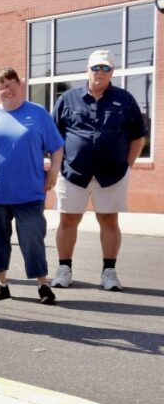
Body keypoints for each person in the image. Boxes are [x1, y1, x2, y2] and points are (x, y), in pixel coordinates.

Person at [50, 49, 147, 291]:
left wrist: (127, 166)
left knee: (109, 220)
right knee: (68, 219)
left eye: (105, 68)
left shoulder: (125, 100)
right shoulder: (68, 98)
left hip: (112, 175)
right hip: (72, 173)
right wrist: (55, 166)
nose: (99, 72)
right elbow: (53, 136)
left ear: (112, 72)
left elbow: (138, 138)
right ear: (87, 70)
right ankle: (64, 268)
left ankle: (109, 272)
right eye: (95, 67)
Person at [0, 67, 64, 304]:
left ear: (20, 84)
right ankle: (1, 284)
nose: (6, 90)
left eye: (10, 84)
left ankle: (43, 285)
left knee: (32, 238)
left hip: (30, 191)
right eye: (0, 87)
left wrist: (54, 171)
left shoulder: (38, 113)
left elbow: (56, 146)